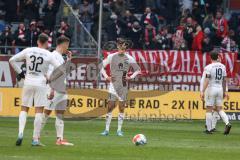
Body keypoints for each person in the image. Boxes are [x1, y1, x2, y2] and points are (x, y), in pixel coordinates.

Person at [9, 33, 62, 146]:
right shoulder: (48, 54)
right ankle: (35, 139)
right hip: (41, 83)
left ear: (38, 41)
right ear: (47, 43)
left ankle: (20, 133)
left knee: (24, 108)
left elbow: (12, 60)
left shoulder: (29, 50)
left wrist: (21, 73)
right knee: (39, 111)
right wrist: (50, 78)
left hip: (28, 81)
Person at [100, 38, 141, 136]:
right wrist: (106, 77)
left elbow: (138, 70)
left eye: (124, 45)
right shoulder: (111, 57)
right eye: (121, 45)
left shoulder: (129, 58)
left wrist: (130, 77)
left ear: (126, 47)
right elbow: (100, 66)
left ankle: (119, 130)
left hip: (123, 86)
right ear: (118, 46)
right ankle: (106, 130)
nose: (123, 47)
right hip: (113, 85)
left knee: (121, 108)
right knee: (110, 106)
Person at [41, 36, 74, 146]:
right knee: (47, 112)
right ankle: (36, 136)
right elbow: (51, 74)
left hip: (62, 88)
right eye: (67, 45)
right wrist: (52, 89)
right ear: (63, 44)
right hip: (54, 89)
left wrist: (69, 60)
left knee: (60, 113)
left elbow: (64, 72)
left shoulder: (60, 57)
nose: (68, 48)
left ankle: (60, 139)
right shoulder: (53, 56)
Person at [200, 51, 231, 135]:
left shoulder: (208, 67)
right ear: (218, 57)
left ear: (210, 57)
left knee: (209, 109)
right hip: (220, 89)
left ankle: (209, 129)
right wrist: (225, 91)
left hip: (211, 88)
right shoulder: (223, 66)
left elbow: (206, 80)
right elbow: (225, 80)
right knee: (219, 108)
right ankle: (227, 123)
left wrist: (202, 91)